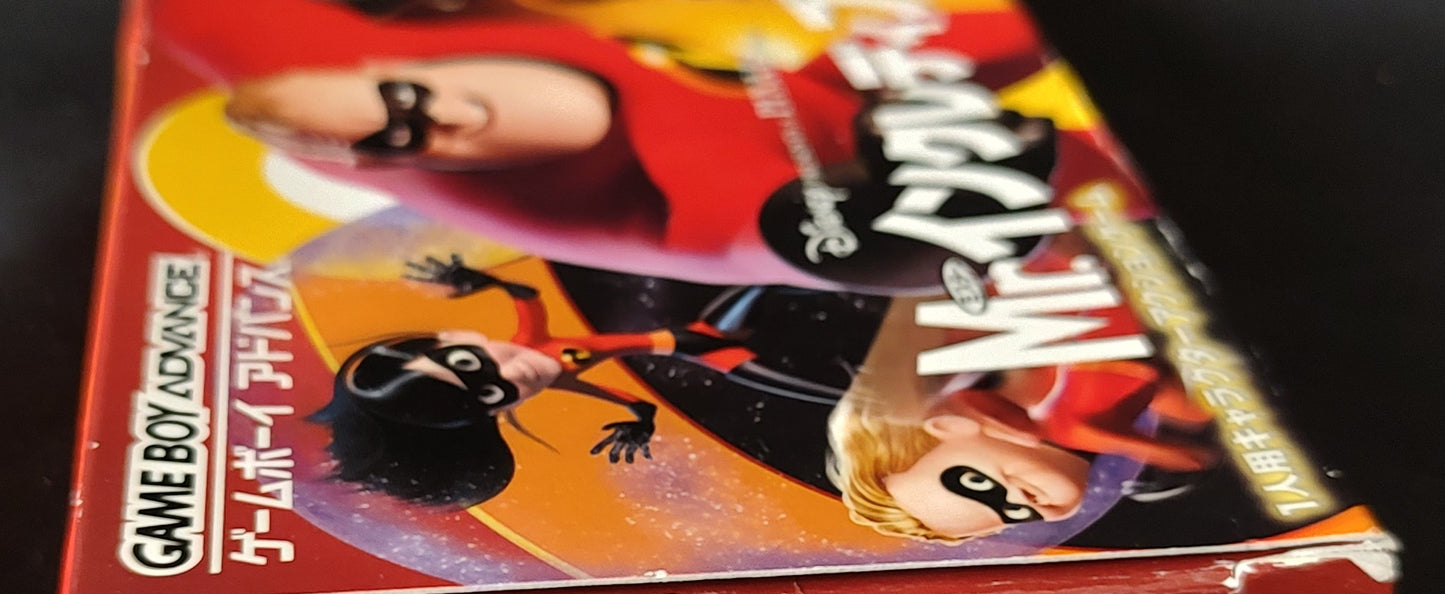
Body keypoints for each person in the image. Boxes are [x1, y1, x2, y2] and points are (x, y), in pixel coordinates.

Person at [155, 0, 1145, 290]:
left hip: (800, 74)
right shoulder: (685, 203)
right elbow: (829, 247)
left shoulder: (306, 53)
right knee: (1107, 179)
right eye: (407, 142)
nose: (440, 123)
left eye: (410, 101)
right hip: (837, 135)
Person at [311, 255, 823, 504]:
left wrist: (484, 280)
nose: (514, 372)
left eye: (468, 363)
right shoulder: (560, 380)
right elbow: (632, 402)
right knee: (819, 379)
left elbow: (528, 295)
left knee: (785, 279)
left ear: (455, 336)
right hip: (711, 352)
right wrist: (639, 426)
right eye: (492, 392)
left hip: (696, 333)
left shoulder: (532, 341)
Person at [827, 355, 1218, 543]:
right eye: (1014, 514)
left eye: (978, 484)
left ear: (952, 426)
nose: (1023, 500)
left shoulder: (1071, 414)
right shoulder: (1104, 431)